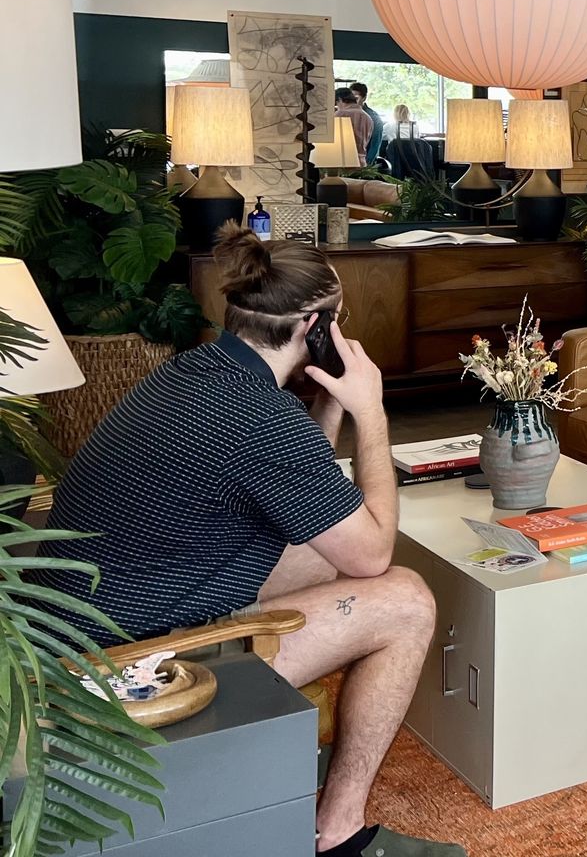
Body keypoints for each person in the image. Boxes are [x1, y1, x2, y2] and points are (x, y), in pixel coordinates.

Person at [30, 226, 464, 857]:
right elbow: (373, 552)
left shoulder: (195, 372)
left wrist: (329, 402)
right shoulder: (260, 418)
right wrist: (371, 410)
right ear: (314, 327)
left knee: (326, 554)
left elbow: (305, 494)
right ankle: (339, 834)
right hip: (123, 666)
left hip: (81, 623)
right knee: (405, 599)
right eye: (336, 322)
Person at [350, 82, 386, 164]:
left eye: (355, 99)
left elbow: (374, 147)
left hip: (363, 164)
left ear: (364, 98)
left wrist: (365, 166)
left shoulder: (374, 119)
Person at [335, 87, 372, 165]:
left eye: (336, 103)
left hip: (343, 161)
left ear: (340, 100)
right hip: (361, 161)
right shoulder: (368, 117)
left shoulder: (340, 114)